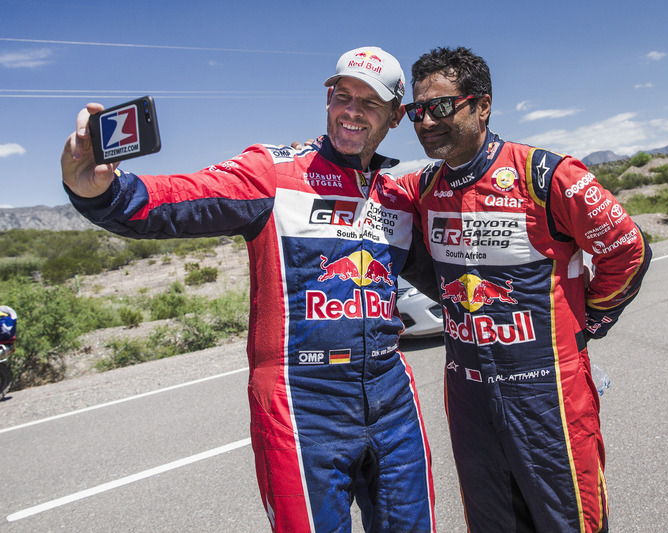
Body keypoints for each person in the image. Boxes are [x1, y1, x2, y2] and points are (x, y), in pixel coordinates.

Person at [60, 46, 436, 533]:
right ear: (328, 99)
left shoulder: (398, 197)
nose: (352, 112)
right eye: (343, 96)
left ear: (396, 116)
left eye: (369, 103)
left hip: (391, 394)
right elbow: (178, 199)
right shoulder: (273, 171)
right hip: (302, 400)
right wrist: (99, 191)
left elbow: (461, 267)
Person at [398, 47, 651, 533]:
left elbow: (628, 249)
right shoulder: (422, 188)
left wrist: (590, 321)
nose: (426, 121)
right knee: (491, 521)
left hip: (548, 390)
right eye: (417, 110)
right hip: (468, 390)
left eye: (441, 107)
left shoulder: (547, 175)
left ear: (482, 105)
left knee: (568, 520)